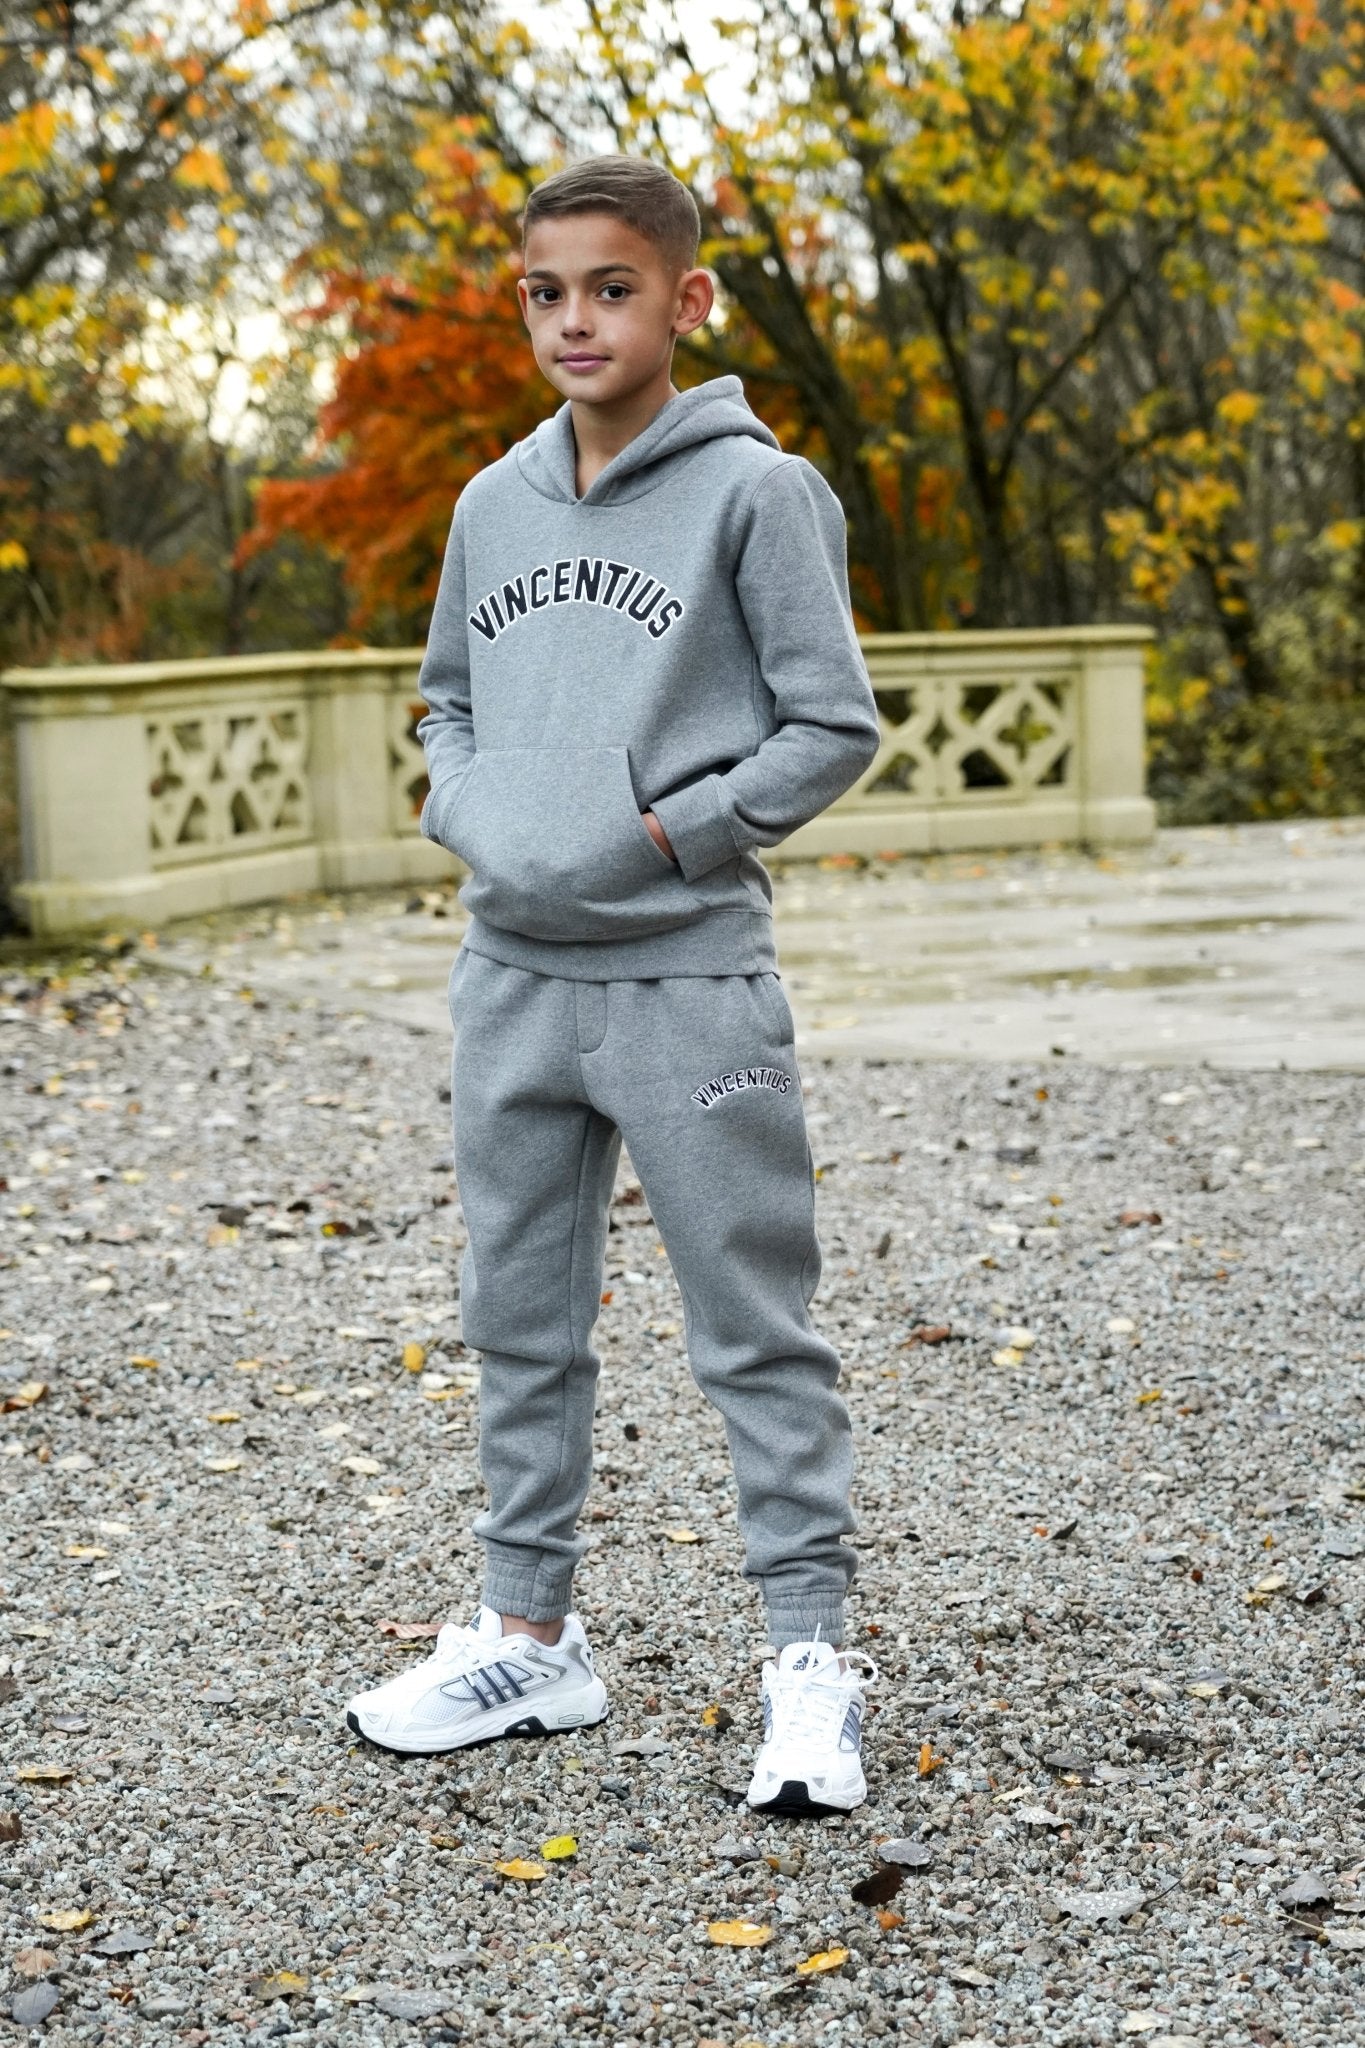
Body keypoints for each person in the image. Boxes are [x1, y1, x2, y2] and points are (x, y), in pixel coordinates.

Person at [346, 154, 882, 1815]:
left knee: (751, 1328)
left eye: (611, 288)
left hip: (687, 978)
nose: (574, 320)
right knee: (517, 1319)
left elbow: (831, 726)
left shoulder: (757, 495)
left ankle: (807, 1664)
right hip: (509, 977)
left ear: (684, 299)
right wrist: (472, 812)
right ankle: (529, 1636)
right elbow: (445, 700)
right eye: (545, 292)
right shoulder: (489, 505)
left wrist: (665, 834)